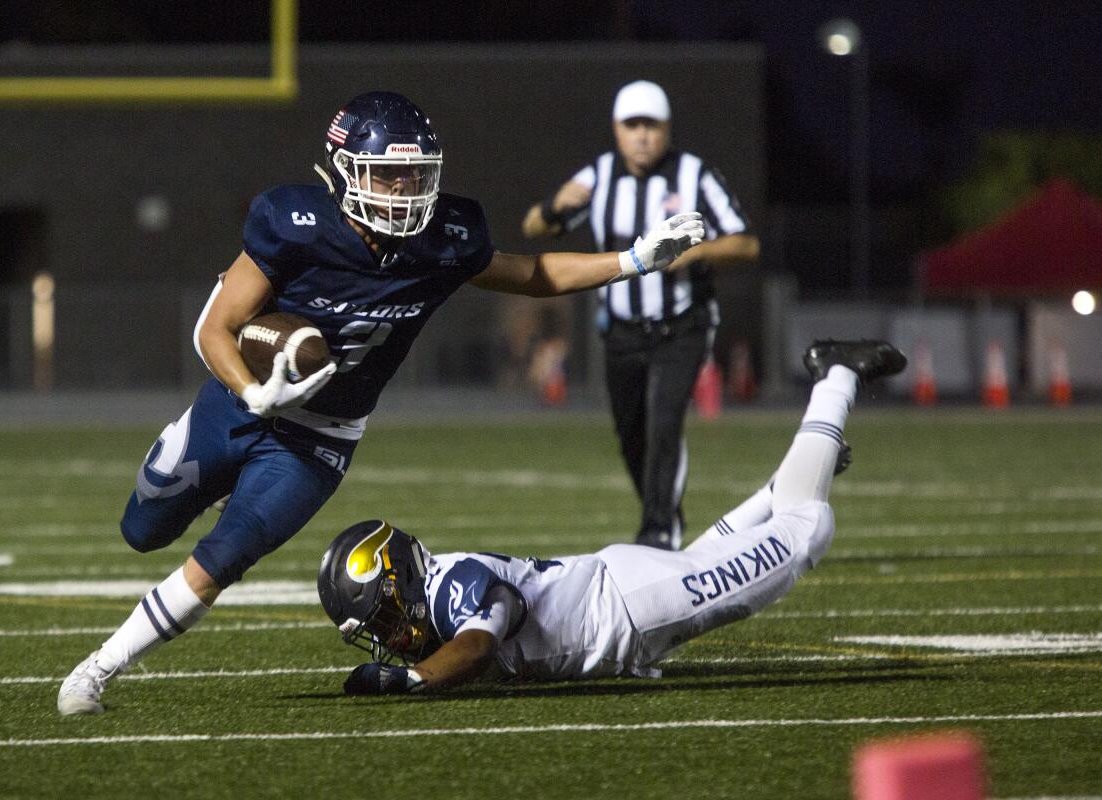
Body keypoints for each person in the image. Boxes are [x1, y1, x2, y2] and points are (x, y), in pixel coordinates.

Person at [55, 91, 705, 715]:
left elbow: (530, 274)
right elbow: (213, 327)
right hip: (238, 403)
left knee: (226, 557)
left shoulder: (444, 236)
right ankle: (214, 476)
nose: (404, 191)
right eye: (388, 175)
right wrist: (255, 390)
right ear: (345, 170)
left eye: (415, 175)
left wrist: (635, 259)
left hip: (320, 436)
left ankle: (101, 666)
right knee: (141, 532)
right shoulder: (295, 223)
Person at [317, 340, 906, 694]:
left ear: (402, 578)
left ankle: (837, 376)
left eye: (386, 616)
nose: (391, 638)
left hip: (629, 605)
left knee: (808, 530)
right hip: (624, 595)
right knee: (720, 549)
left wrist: (412, 680)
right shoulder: (439, 596)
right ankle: (787, 479)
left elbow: (475, 645)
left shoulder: (451, 586)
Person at [522, 80, 761, 550]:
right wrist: (554, 207)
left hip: (682, 325)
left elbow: (746, 243)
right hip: (621, 332)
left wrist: (693, 254)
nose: (643, 136)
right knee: (632, 433)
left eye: (651, 125)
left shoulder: (694, 175)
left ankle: (659, 532)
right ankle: (662, 513)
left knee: (664, 419)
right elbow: (533, 225)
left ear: (667, 128)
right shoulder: (599, 176)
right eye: (633, 125)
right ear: (617, 129)